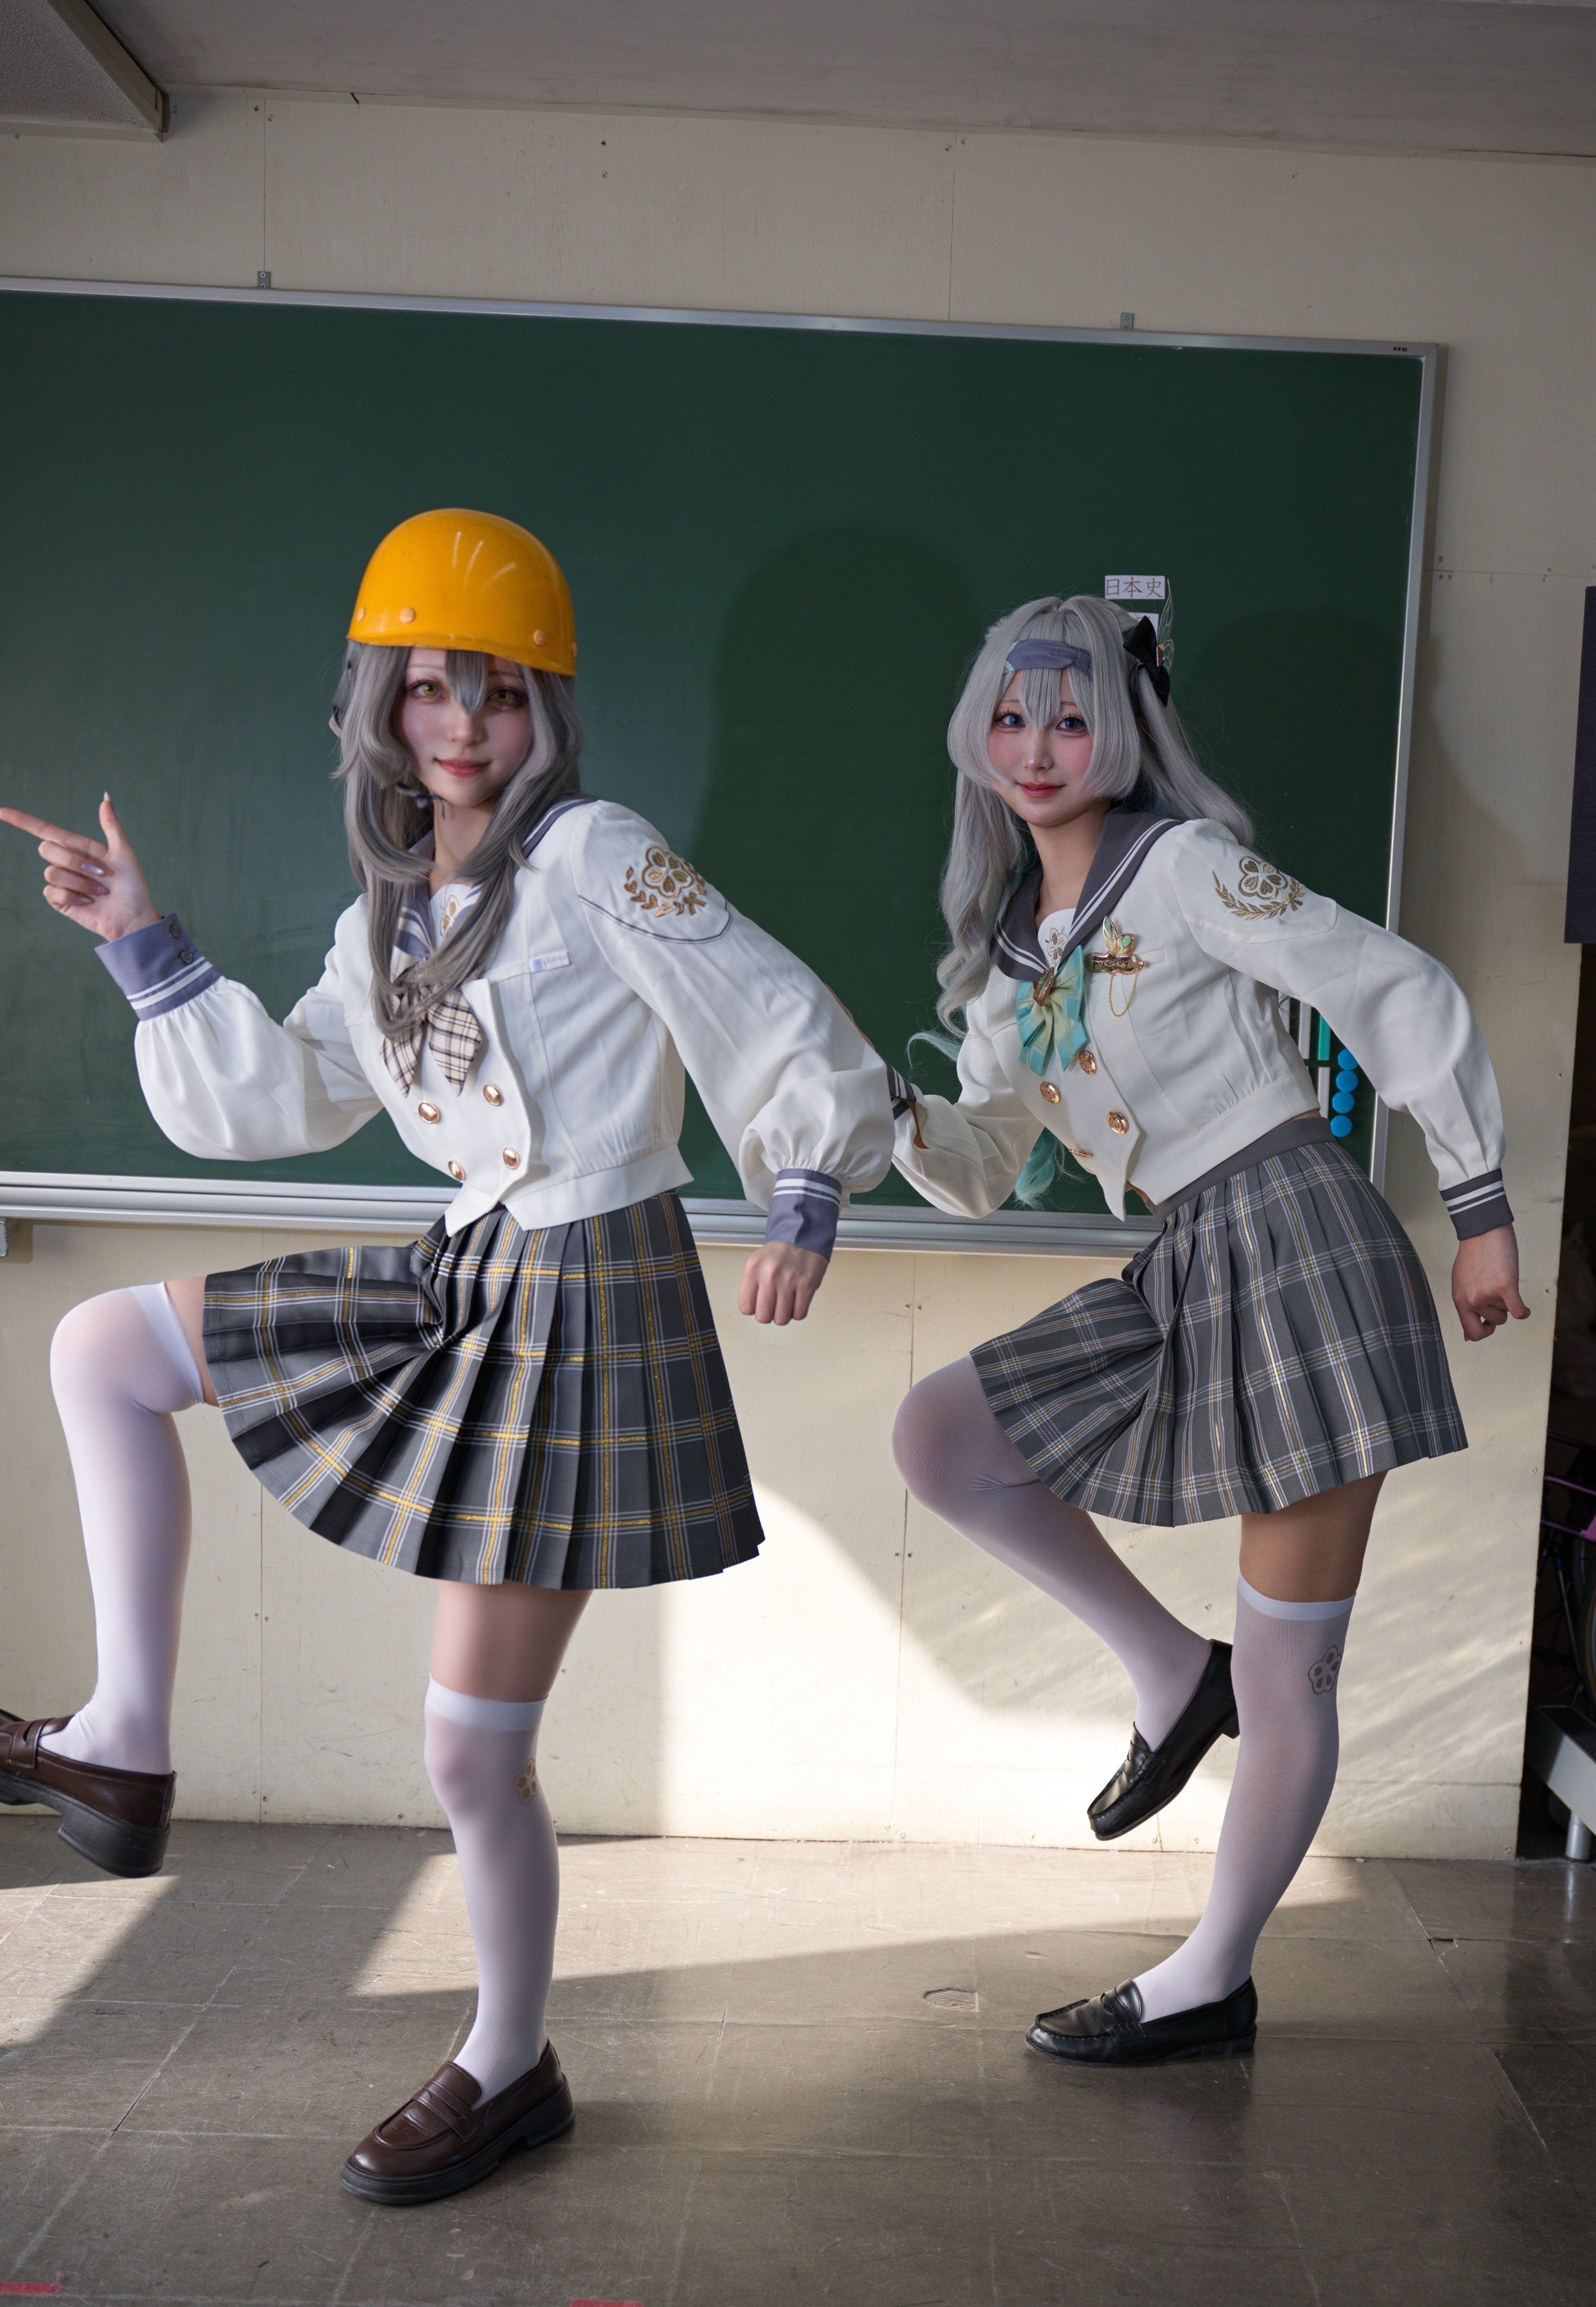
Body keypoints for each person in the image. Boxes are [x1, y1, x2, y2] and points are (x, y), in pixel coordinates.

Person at [0, 508, 893, 2198]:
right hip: (468, 1266)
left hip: (590, 1290)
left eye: (497, 688)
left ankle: (507, 2062)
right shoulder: (393, 915)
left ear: (544, 705)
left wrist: (804, 1192)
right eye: (428, 688)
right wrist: (141, 941)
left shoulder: (598, 854)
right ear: (381, 709)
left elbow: (769, 1010)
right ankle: (121, 1740)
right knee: (102, 1348)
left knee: (470, 1754)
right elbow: (289, 1097)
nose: (462, 723)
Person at [888, 593, 1526, 2066]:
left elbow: (1391, 983)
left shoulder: (1178, 870)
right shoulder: (1007, 959)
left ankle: (1211, 1978)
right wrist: (881, 1114)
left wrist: (1480, 1207)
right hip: (1187, 1253)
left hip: (1299, 1238)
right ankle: (1175, 1672)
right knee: (940, 1435)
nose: (1035, 747)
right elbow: (984, 1167)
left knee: (1293, 1661)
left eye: (1069, 718)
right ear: (976, 737)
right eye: (1010, 717)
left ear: (1119, 731)